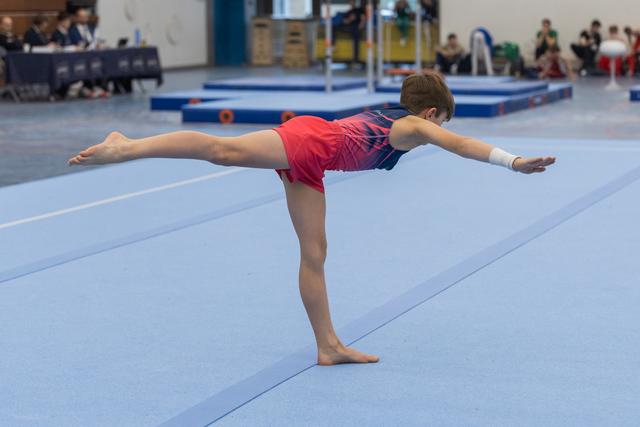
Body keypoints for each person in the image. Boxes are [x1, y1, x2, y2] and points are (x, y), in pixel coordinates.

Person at [67, 71, 555, 366]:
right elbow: (462, 144)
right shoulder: (411, 127)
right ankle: (126, 147)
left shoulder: (396, 118)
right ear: (430, 113)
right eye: (440, 122)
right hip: (312, 143)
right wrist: (510, 161)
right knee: (224, 149)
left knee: (314, 253)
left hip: (314, 162)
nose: (440, 132)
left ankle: (328, 346)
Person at [341, 1, 365, 68]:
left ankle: (356, 59)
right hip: (349, 28)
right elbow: (344, 21)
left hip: (357, 28)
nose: (351, 4)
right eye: (350, 2)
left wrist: (361, 25)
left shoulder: (359, 10)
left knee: (356, 35)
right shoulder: (349, 12)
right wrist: (350, 19)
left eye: (353, 2)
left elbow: (363, 19)